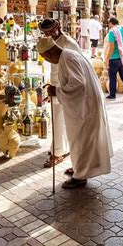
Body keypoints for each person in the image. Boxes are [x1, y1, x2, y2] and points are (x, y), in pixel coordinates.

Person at [36, 37, 113, 189]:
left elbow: (78, 83)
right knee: (82, 140)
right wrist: (55, 91)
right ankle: (80, 169)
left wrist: (56, 91)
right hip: (86, 103)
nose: (48, 61)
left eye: (45, 58)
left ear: (49, 53)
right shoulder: (68, 55)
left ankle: (80, 177)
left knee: (81, 140)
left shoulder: (67, 58)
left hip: (86, 105)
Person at [38, 18, 82, 168]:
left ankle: (58, 153)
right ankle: (59, 148)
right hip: (56, 85)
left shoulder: (69, 43)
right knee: (57, 120)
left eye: (51, 31)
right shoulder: (49, 41)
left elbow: (77, 70)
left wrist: (62, 90)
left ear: (58, 27)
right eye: (46, 33)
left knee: (61, 120)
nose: (49, 34)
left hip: (67, 87)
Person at [105, 17, 123, 101]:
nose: (109, 25)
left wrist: (107, 58)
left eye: (109, 24)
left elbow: (112, 47)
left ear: (111, 23)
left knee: (112, 76)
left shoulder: (112, 32)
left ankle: (112, 94)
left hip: (114, 58)